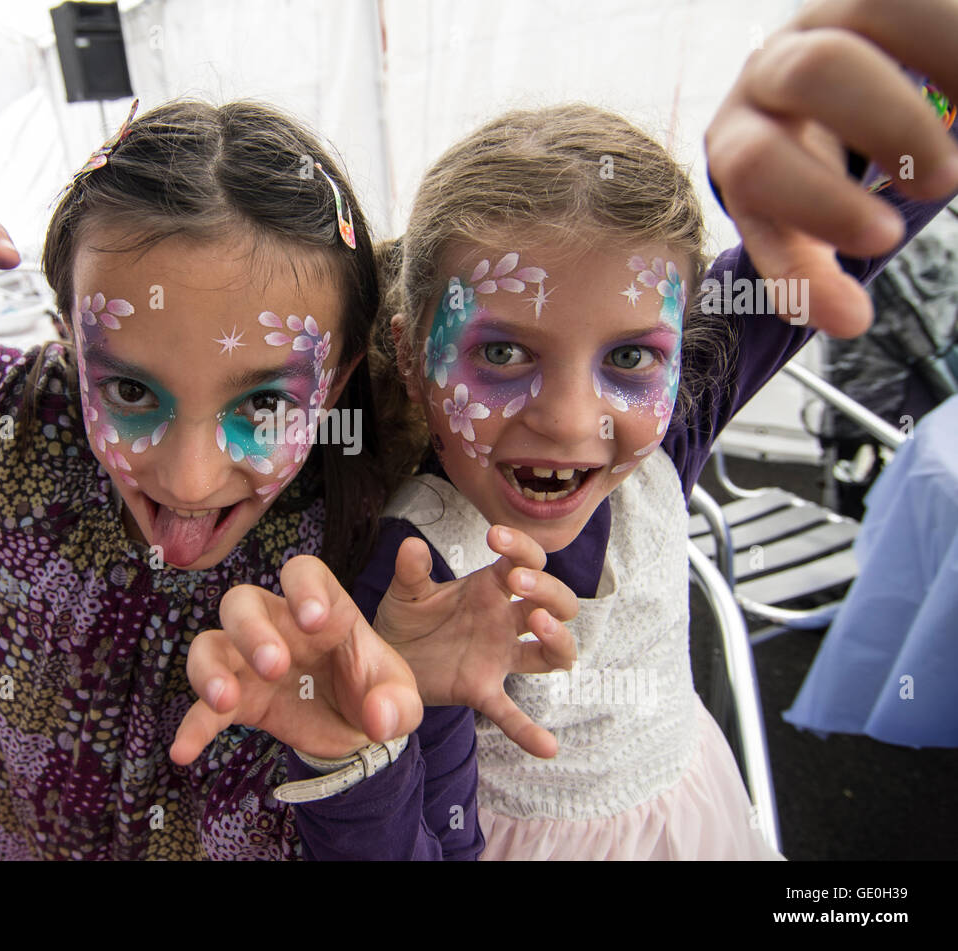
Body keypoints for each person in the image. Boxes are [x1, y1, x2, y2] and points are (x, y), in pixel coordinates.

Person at [0, 98, 582, 860]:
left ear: (337, 379)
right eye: (131, 389)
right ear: (67, 342)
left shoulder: (388, 573)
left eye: (262, 407)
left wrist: (365, 759)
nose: (187, 476)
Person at [173, 0, 958, 859]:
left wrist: (908, 69)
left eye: (630, 358)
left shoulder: (677, 422)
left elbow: (879, 202)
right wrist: (364, 748)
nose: (573, 420)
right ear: (408, 345)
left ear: (682, 347)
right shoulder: (413, 584)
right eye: (503, 349)